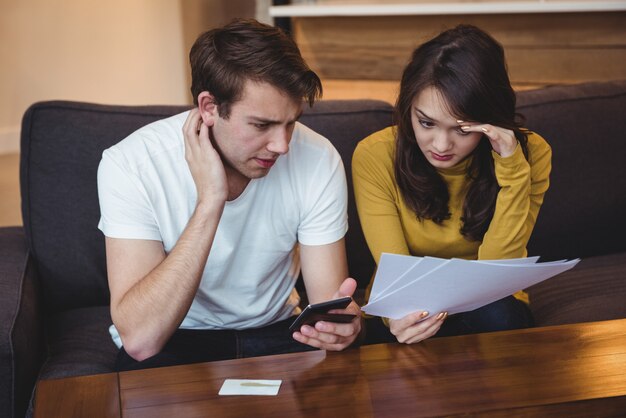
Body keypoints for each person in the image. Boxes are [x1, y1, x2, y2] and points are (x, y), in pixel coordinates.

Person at [97, 18, 361, 371]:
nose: (282, 145)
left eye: (291, 122)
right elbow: (142, 340)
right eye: (261, 125)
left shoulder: (317, 157)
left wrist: (340, 327)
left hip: (279, 331)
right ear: (209, 108)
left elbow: (327, 300)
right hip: (177, 336)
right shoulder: (131, 164)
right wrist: (210, 201)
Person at [352, 25, 552, 345]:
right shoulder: (375, 154)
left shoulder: (530, 154)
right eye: (426, 123)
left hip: (490, 304)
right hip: (406, 304)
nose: (441, 145)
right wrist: (400, 317)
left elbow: (498, 275)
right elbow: (397, 271)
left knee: (500, 314)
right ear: (408, 109)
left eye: (462, 129)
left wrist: (512, 169)